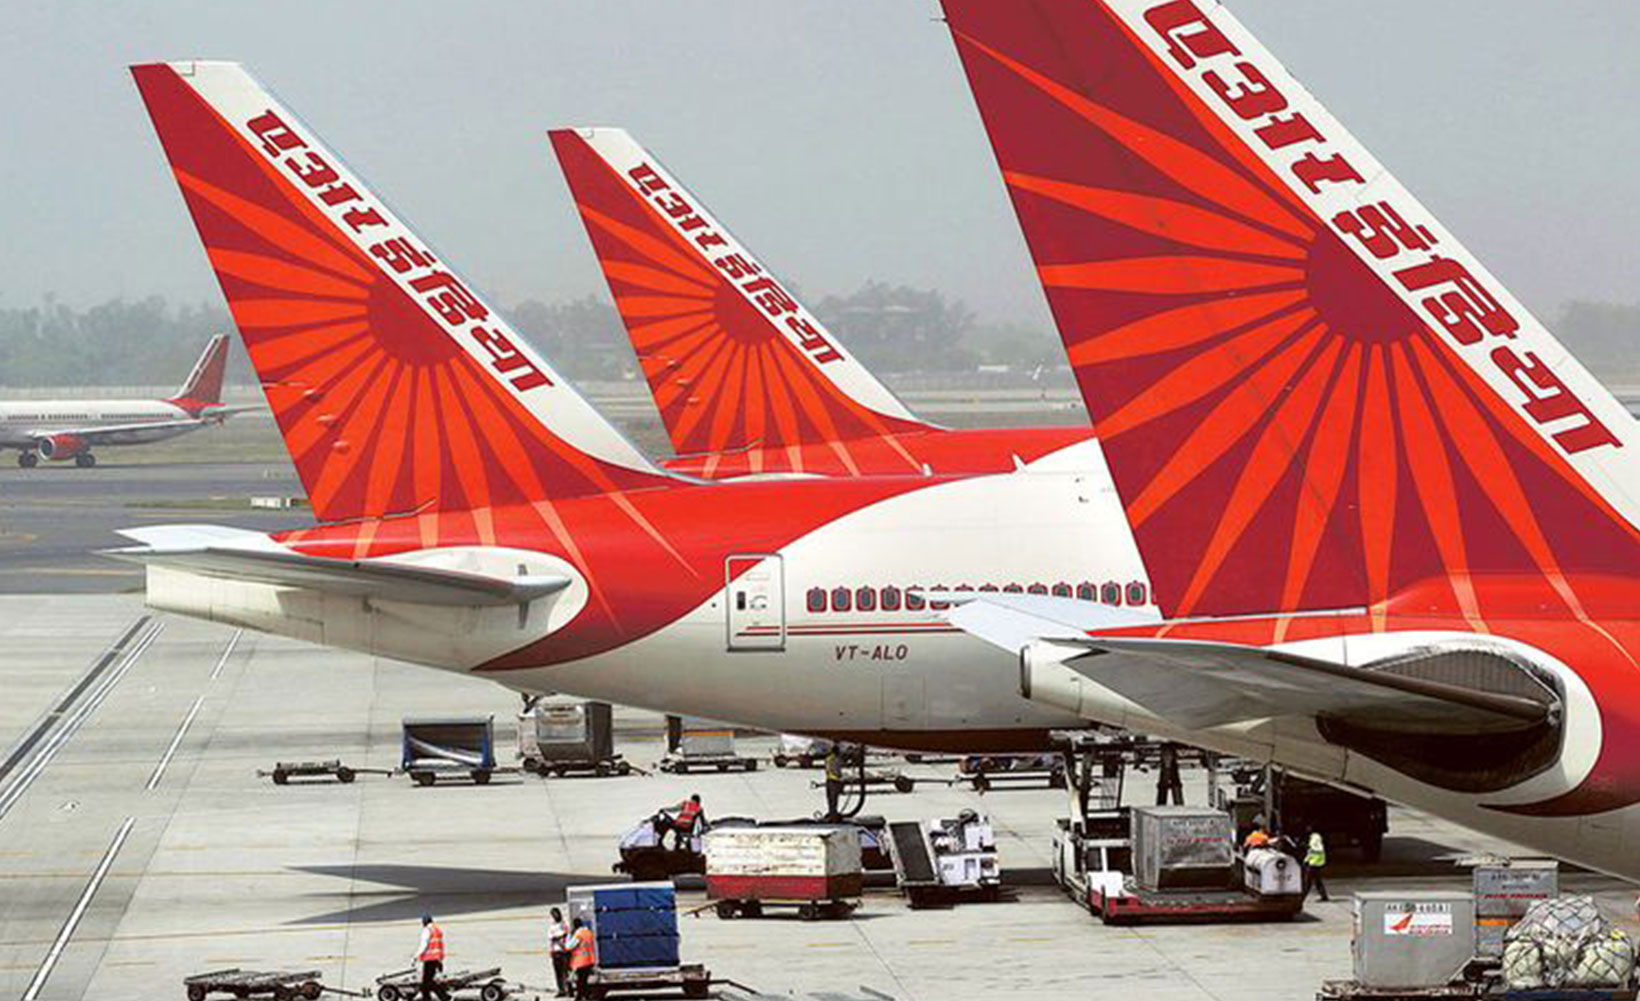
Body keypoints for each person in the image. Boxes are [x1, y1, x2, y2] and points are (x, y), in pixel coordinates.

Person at [414, 914, 451, 1001]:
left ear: (424, 922)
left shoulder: (427, 931)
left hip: (430, 958)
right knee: (426, 981)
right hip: (437, 958)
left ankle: (445, 997)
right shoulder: (437, 930)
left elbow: (424, 945)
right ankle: (427, 998)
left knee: (428, 981)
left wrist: (416, 956)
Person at [568, 916, 597, 999]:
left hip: (580, 961)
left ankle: (580, 996)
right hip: (589, 959)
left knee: (580, 980)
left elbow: (569, 946)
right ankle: (585, 995)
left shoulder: (578, 934)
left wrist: (570, 935)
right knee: (584, 980)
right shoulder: (588, 932)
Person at [547, 906, 571, 997]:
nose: (555, 916)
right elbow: (551, 937)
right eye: (553, 915)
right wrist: (559, 937)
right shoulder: (552, 926)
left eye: (556, 914)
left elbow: (566, 934)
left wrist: (558, 937)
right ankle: (561, 990)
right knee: (558, 973)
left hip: (564, 951)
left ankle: (569, 989)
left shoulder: (564, 924)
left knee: (566, 972)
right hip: (556, 951)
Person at [1304, 830, 1330, 901]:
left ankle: (1303, 895)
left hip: (1312, 864)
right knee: (1317, 881)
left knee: (1308, 882)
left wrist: (1306, 861)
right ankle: (1324, 896)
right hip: (1318, 864)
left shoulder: (1313, 841)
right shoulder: (1319, 842)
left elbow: (1311, 853)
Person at [823, 746, 845, 820]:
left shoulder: (828, 759)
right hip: (835, 781)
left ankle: (832, 814)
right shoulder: (836, 759)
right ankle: (834, 816)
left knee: (830, 800)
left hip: (829, 780)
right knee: (834, 800)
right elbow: (837, 771)